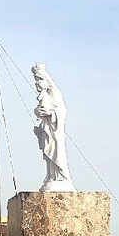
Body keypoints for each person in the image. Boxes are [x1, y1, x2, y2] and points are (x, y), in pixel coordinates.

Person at [31, 63, 75, 191]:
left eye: (40, 80)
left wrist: (50, 113)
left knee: (57, 153)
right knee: (48, 153)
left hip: (55, 130)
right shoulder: (43, 95)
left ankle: (61, 177)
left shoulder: (54, 93)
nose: (37, 84)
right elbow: (41, 110)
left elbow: (62, 110)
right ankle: (52, 176)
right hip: (47, 129)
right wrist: (38, 112)